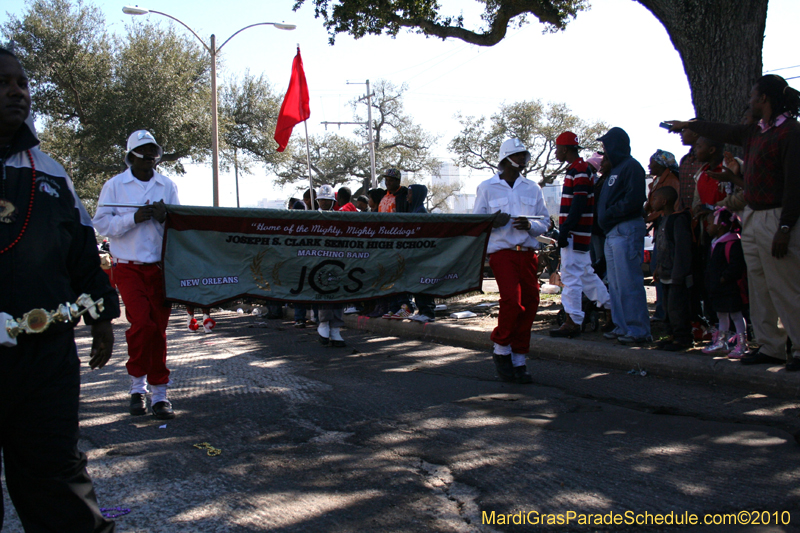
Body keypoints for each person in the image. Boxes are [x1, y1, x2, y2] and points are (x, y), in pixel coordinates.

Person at [0, 47, 119, 532]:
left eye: (22, 82)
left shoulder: (50, 171)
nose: (16, 91)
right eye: (2, 82)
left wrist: (102, 317)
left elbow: (82, 254)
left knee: (56, 477)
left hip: (45, 355)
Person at [669, 74, 800, 371]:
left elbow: (795, 185)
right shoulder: (755, 132)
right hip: (753, 214)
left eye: (753, 96)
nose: (750, 100)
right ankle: (771, 347)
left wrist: (785, 227)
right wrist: (689, 125)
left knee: (786, 286)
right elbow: (724, 130)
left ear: (764, 99)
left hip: (778, 216)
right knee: (759, 286)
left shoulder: (790, 132)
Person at [93, 129, 181, 419]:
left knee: (158, 329)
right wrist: (133, 218)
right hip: (127, 266)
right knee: (142, 323)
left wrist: (164, 216)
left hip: (159, 267)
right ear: (131, 157)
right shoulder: (115, 185)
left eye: (153, 155)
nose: (149, 161)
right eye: (143, 155)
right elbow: (102, 224)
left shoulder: (167, 185)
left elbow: (179, 224)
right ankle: (136, 387)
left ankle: (159, 395)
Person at [473, 138, 549, 384]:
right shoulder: (487, 187)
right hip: (502, 252)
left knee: (530, 302)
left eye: (525, 156)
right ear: (506, 158)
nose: (524, 160)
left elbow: (545, 222)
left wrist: (531, 225)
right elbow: (478, 222)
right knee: (512, 301)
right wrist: (492, 221)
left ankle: (519, 359)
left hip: (527, 253)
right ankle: (501, 348)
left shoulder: (533, 187)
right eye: (519, 155)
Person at [550, 131, 610, 338]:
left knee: (570, 276)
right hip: (580, 232)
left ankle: (573, 320)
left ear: (565, 149)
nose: (556, 153)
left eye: (557, 149)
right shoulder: (580, 169)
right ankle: (611, 310)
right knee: (586, 275)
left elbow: (579, 201)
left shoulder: (579, 170)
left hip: (576, 232)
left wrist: (566, 229)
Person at [596, 127, 652, 344]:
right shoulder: (615, 169)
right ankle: (622, 326)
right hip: (612, 232)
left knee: (629, 282)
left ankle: (638, 330)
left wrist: (609, 214)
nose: (603, 150)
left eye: (606, 145)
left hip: (626, 228)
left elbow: (634, 200)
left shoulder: (631, 167)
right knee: (616, 283)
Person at [650, 187, 694, 351]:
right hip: (665, 273)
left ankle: (683, 338)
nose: (652, 202)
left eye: (655, 199)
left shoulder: (677, 221)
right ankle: (671, 335)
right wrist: (658, 268)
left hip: (676, 275)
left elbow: (682, 250)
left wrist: (678, 274)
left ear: (664, 201)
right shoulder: (663, 220)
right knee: (668, 308)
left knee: (678, 308)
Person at [701, 208, 749, 358]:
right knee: (721, 313)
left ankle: (742, 343)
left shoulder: (732, 243)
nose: (707, 227)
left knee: (736, 314)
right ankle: (722, 341)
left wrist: (724, 278)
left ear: (720, 225)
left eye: (709, 223)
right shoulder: (715, 243)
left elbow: (736, 266)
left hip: (730, 287)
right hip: (718, 288)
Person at [644, 149, 681, 323]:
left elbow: (671, 206)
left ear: (661, 164)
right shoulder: (657, 182)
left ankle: (664, 311)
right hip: (659, 228)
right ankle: (662, 310)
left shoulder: (671, 182)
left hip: (667, 228)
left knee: (662, 268)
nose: (649, 165)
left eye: (652, 162)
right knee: (656, 268)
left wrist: (650, 217)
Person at [314, 184, 346, 347]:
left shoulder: (340, 218)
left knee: (339, 293)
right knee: (325, 292)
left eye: (327, 201)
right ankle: (324, 323)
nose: (324, 203)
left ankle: (336, 327)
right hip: (320, 261)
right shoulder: (312, 218)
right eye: (321, 201)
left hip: (338, 260)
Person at [406, 183, 436, 323]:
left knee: (424, 283)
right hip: (415, 256)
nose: (408, 196)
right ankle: (421, 310)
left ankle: (428, 312)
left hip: (422, 257)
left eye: (410, 193)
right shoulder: (414, 211)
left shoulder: (421, 213)